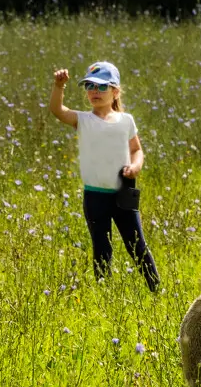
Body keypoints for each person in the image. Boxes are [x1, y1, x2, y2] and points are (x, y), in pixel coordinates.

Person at [48, 60, 160, 291]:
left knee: (136, 244)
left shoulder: (126, 121)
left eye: (101, 87)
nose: (94, 92)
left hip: (124, 191)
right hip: (95, 195)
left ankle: (156, 288)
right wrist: (59, 87)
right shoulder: (83, 120)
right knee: (101, 247)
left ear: (115, 91)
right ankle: (104, 292)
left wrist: (136, 166)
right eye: (89, 87)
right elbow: (57, 111)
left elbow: (136, 149)